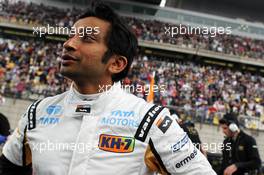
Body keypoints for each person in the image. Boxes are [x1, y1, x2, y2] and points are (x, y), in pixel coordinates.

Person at [0, 1, 216, 175]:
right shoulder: (37, 113)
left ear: (116, 63)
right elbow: (8, 167)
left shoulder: (149, 119)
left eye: (86, 38)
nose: (69, 44)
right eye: (71, 36)